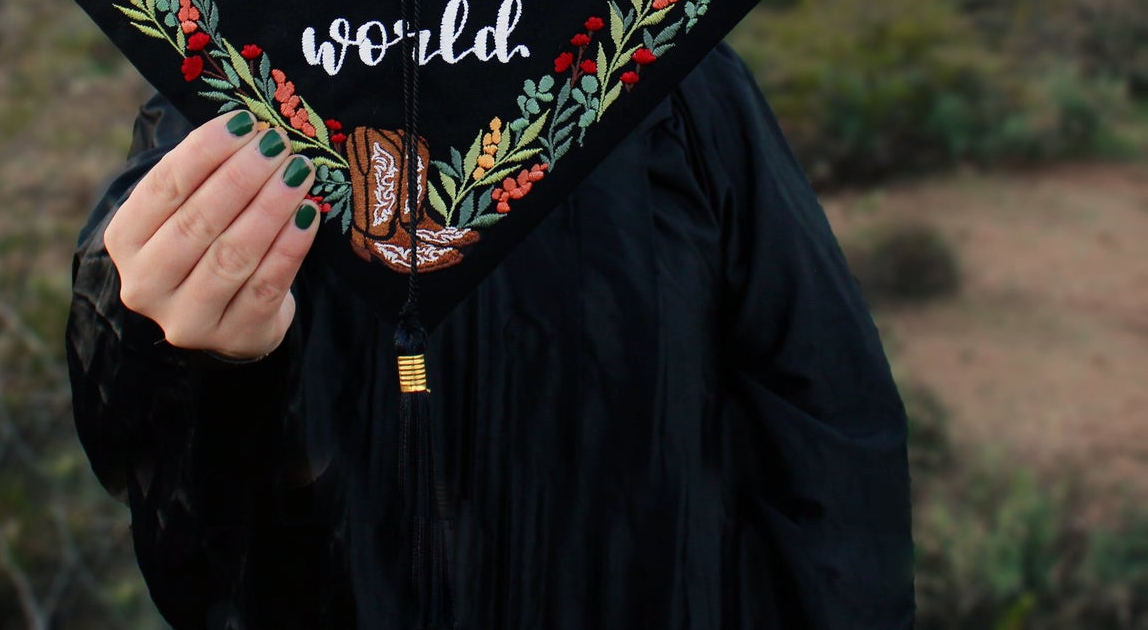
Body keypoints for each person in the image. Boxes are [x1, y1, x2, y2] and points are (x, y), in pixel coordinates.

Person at [67, 41, 917, 630]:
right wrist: (190, 355)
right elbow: (194, 537)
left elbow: (824, 420)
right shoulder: (228, 96)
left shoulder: (670, 78)